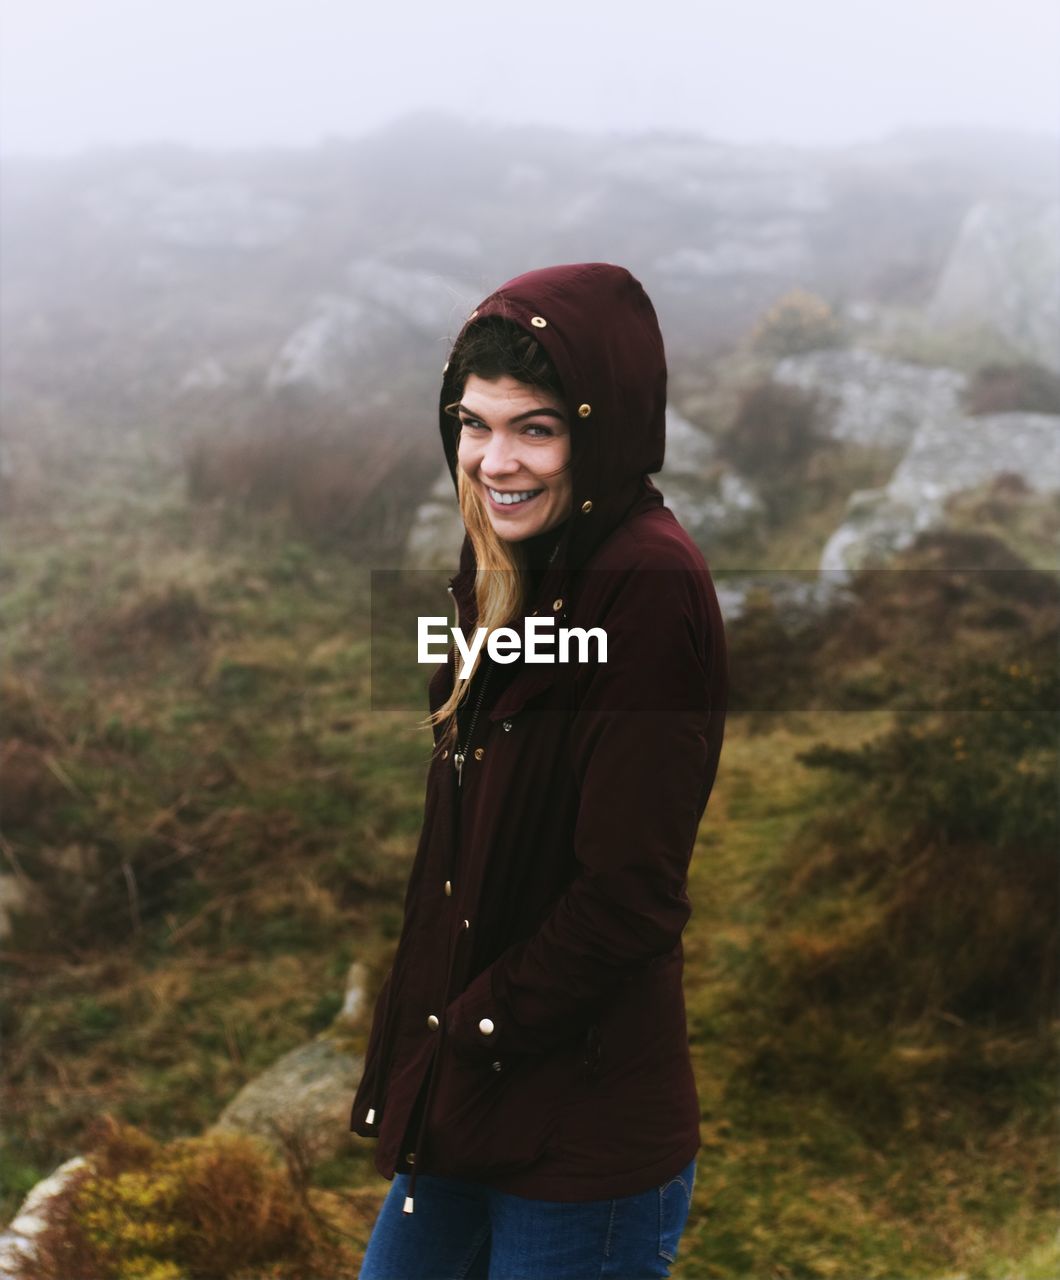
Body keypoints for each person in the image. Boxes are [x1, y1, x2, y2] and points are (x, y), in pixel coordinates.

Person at [351, 262, 728, 1279]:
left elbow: (629, 895)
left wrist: (471, 1026)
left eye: (535, 428)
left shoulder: (643, 588)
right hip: (472, 1101)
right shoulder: (507, 569)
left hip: (578, 1140)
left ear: (599, 433)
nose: (493, 460)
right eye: (474, 424)